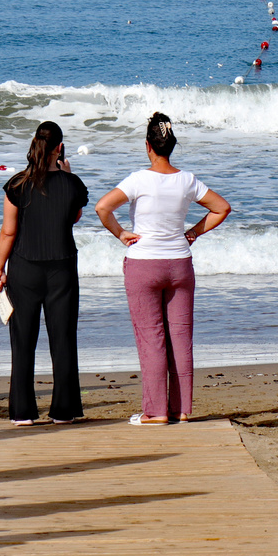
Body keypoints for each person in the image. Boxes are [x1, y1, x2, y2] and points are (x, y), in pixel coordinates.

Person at [95, 113, 230, 425]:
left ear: (147, 146)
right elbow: (222, 208)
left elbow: (103, 207)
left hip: (143, 265)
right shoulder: (187, 180)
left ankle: (155, 412)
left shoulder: (138, 179)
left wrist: (120, 233)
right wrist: (194, 232)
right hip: (180, 264)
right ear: (172, 145)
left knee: (151, 337)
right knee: (180, 337)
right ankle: (181, 410)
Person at [0, 121, 89, 425]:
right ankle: (63, 410)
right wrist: (68, 174)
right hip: (61, 268)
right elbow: (72, 217)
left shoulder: (17, 185)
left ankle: (22, 412)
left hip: (24, 267)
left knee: (23, 341)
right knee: (63, 339)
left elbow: (9, 233)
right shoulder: (73, 184)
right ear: (60, 148)